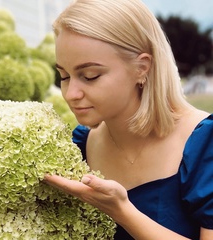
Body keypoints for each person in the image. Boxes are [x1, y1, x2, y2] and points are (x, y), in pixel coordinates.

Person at [43, 0, 213, 239]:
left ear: (141, 68)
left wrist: (123, 212)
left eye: (90, 76)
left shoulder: (205, 143)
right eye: (64, 76)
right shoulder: (78, 145)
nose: (71, 94)